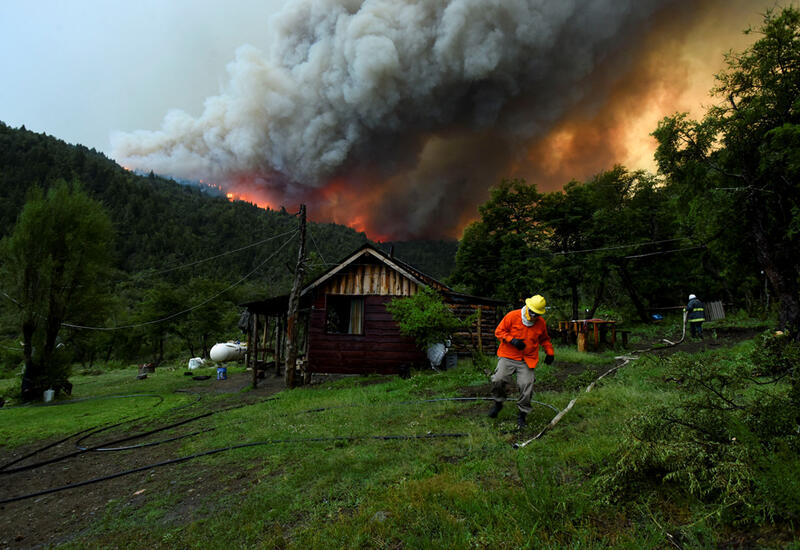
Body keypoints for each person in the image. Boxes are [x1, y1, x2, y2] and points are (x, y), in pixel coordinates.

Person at [488, 294, 555, 428]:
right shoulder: (512, 316)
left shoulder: (540, 323)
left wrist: (550, 352)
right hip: (508, 355)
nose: (534, 316)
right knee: (498, 379)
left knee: (526, 385)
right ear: (528, 307)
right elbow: (499, 331)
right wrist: (511, 340)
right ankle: (498, 402)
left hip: (527, 359)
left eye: (537, 314)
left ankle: (522, 415)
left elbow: (544, 339)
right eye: (532, 312)